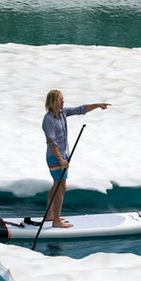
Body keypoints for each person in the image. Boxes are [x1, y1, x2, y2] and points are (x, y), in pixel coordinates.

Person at [41, 89, 110, 227]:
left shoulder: (62, 113)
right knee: (61, 186)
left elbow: (80, 109)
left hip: (63, 156)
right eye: (61, 99)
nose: (63, 101)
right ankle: (56, 221)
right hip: (55, 157)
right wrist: (61, 160)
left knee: (57, 184)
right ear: (53, 101)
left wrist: (97, 105)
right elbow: (51, 143)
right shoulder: (48, 120)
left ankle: (49, 215)